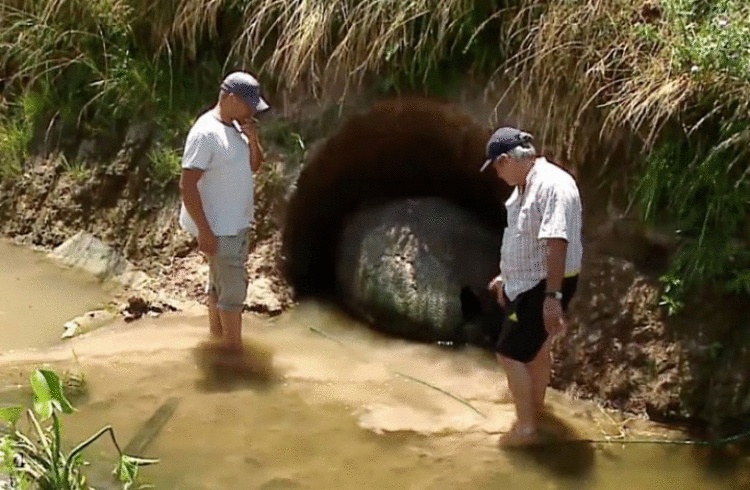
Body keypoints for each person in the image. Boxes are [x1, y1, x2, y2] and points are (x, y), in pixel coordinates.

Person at [480, 127, 583, 446]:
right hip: (527, 283)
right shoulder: (526, 185)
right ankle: (535, 411)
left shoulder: (552, 185)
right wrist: (505, 277)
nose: (497, 175)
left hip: (543, 285)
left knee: (508, 354)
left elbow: (556, 241)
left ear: (507, 159)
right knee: (536, 351)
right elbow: (521, 237)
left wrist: (551, 297)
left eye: (496, 167)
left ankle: (526, 429)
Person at [179, 71, 269, 352]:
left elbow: (254, 166)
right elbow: (187, 184)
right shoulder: (206, 133)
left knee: (218, 286)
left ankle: (217, 341)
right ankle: (233, 356)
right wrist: (205, 231)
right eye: (249, 105)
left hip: (235, 224)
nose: (253, 111)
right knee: (232, 293)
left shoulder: (236, 128)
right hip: (220, 228)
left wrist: (252, 138)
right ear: (230, 98)